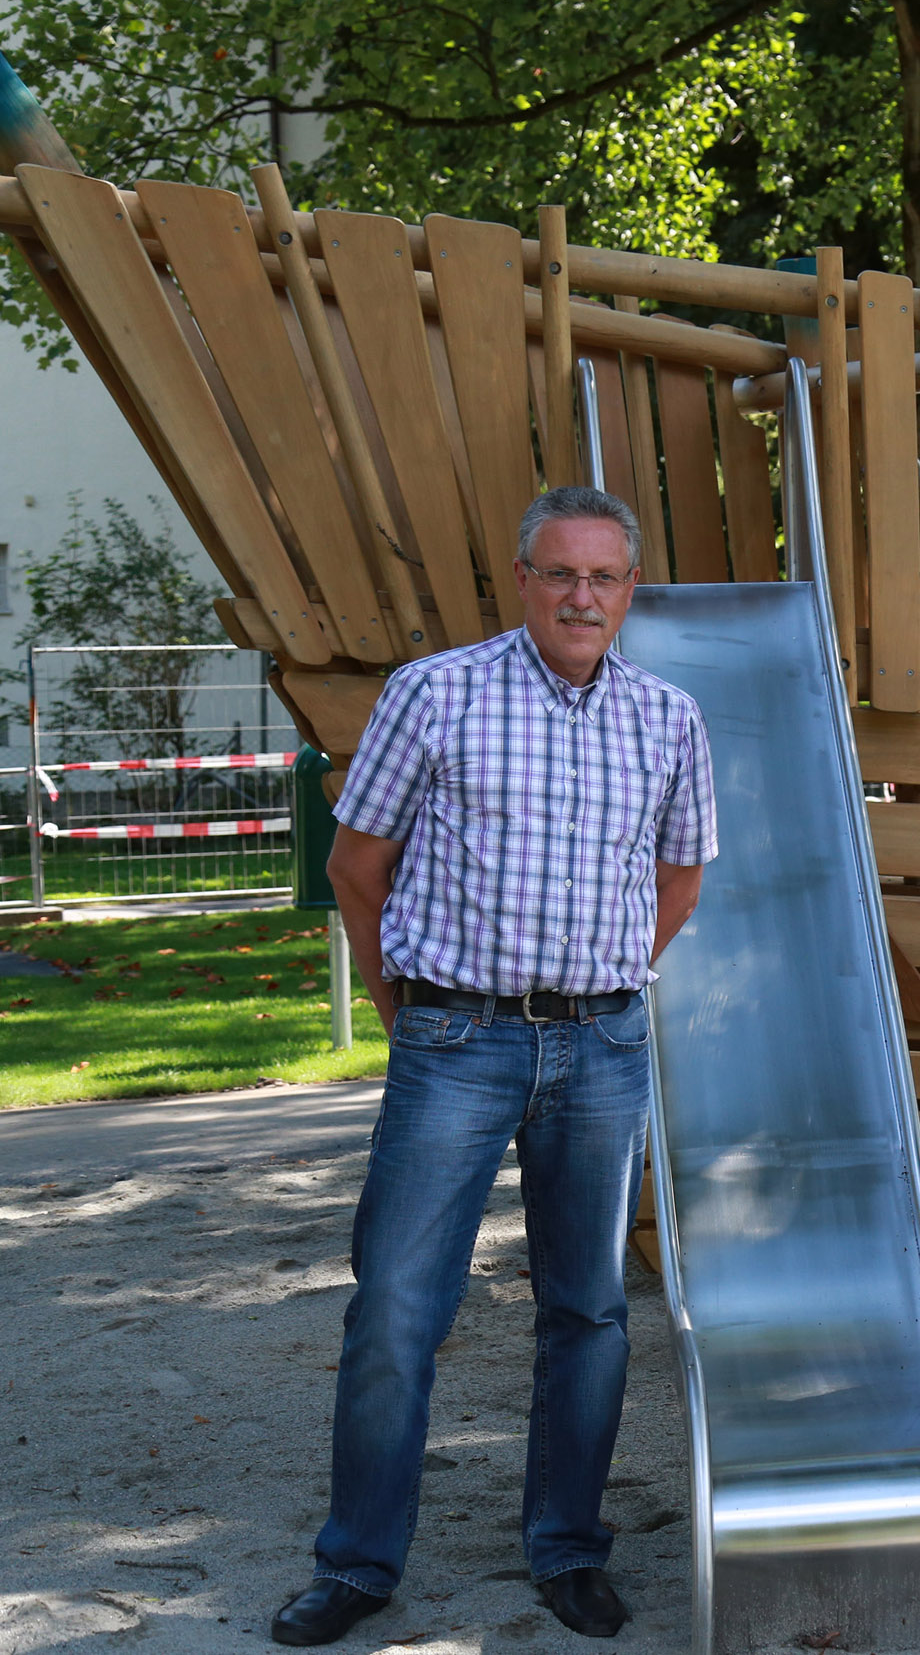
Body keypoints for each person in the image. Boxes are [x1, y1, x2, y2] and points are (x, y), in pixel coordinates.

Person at [270, 486, 716, 1646]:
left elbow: (680, 883)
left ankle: (568, 1546)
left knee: (588, 1309)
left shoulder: (668, 718)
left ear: (628, 590)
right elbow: (358, 865)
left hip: (603, 1044)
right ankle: (358, 1563)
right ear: (523, 581)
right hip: (455, 1040)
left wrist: (605, 980)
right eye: (560, 574)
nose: (582, 596)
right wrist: (395, 999)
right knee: (399, 1309)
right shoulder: (436, 691)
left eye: (604, 577)